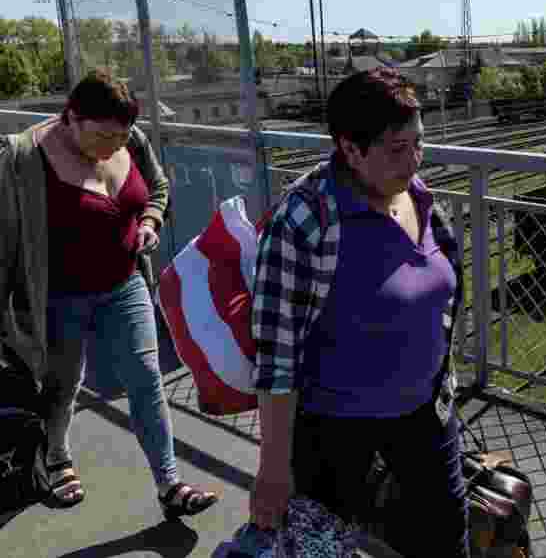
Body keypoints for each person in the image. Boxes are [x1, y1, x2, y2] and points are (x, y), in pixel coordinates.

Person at [249, 68, 469, 557]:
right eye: (397, 148)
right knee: (322, 547)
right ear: (350, 149)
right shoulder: (304, 220)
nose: (413, 160)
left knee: (447, 539)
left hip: (426, 414)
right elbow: (277, 360)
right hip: (333, 432)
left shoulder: (421, 197)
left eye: (419, 143)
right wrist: (273, 469)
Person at [0, 69, 219, 517]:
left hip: (125, 282)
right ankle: (57, 459)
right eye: (102, 136)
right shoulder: (24, 159)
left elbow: (156, 189)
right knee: (62, 386)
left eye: (120, 138)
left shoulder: (130, 138)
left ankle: (169, 484)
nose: (113, 148)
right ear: (71, 118)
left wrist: (150, 222)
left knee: (146, 380)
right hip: (58, 296)